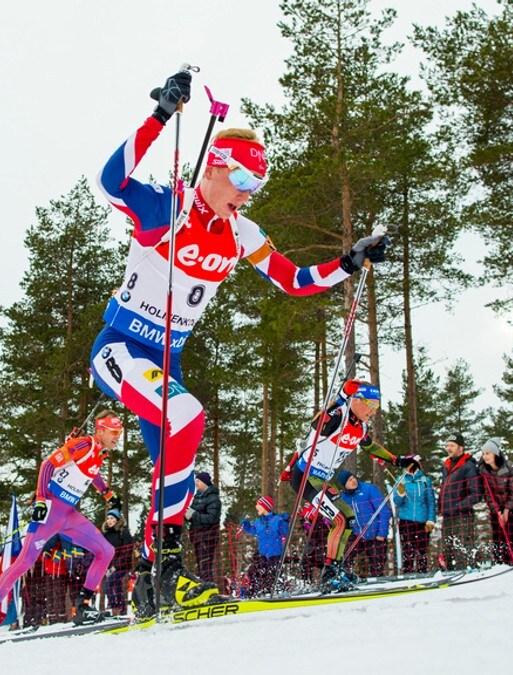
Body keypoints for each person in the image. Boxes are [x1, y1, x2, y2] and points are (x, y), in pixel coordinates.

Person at [90, 69, 390, 615]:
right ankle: (165, 562)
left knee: (173, 467)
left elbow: (294, 280)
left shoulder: (241, 231)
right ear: (216, 170)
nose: (249, 196)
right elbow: (112, 181)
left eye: (257, 189)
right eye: (244, 185)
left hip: (167, 359)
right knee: (189, 418)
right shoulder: (170, 205)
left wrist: (348, 262)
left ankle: (161, 575)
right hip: (122, 348)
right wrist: (160, 116)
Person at [0, 413, 124, 632]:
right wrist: (41, 500)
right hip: (51, 510)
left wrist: (108, 493)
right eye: (113, 432)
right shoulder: (83, 444)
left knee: (106, 550)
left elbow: (91, 474)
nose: (117, 437)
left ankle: (83, 607)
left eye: (119, 433)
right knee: (25, 561)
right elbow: (47, 466)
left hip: (69, 515)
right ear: (100, 429)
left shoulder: (98, 453)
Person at [284, 380, 392, 590]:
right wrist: (342, 395)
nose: (374, 411)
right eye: (371, 404)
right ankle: (329, 575)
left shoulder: (361, 427)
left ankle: (336, 568)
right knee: (340, 520)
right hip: (306, 476)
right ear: (357, 401)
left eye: (377, 406)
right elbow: (317, 424)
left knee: (349, 519)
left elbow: (370, 446)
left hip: (321, 478)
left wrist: (398, 460)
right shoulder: (340, 413)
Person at [438, 434, 481, 570]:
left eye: (452, 446)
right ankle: (449, 572)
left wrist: (459, 506)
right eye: (447, 445)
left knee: (462, 547)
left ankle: (466, 571)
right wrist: (441, 505)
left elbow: (476, 494)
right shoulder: (447, 465)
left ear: (460, 448)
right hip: (447, 514)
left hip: (462, 515)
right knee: (447, 548)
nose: (448, 448)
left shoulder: (468, 466)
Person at [478, 439, 513, 565]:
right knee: (497, 533)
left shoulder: (509, 467)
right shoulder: (484, 471)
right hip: (496, 506)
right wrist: (497, 511)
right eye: (483, 454)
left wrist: (507, 510)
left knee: (511, 531)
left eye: (488, 453)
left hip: (512, 504)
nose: (485, 457)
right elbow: (487, 493)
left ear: (495, 454)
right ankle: (499, 559)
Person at [338, 471, 390, 577]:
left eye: (353, 478)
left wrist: (382, 534)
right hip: (357, 535)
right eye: (349, 480)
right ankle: (345, 578)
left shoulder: (369, 489)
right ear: (344, 485)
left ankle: (377, 583)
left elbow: (384, 511)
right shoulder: (344, 498)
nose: (353, 481)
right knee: (344, 559)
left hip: (375, 535)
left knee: (377, 565)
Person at [392, 455, 436, 574]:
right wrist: (401, 494)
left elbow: (431, 502)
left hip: (422, 521)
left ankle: (423, 573)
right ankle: (408, 575)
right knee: (408, 551)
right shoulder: (400, 480)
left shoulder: (425, 481)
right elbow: (397, 502)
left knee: (422, 552)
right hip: (406, 521)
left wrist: (431, 520)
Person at [239, 496, 289, 597]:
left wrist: (285, 521)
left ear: (265, 506)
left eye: (258, 504)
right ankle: (253, 593)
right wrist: (247, 526)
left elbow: (285, 532)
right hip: (262, 555)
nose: (256, 506)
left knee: (273, 575)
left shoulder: (277, 520)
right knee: (253, 572)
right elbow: (253, 530)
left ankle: (276, 591)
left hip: (275, 555)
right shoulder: (258, 522)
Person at [187, 472, 222, 584]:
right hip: (197, 537)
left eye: (198, 481)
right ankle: (204, 589)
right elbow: (193, 515)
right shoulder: (197, 498)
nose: (195, 483)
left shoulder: (213, 498)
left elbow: (211, 518)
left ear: (204, 482)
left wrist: (193, 514)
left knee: (205, 567)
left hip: (207, 538)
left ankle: (209, 590)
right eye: (195, 481)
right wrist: (187, 515)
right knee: (201, 568)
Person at [100, 510, 136, 615]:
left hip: (123, 565)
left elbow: (128, 550)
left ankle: (115, 606)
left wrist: (115, 566)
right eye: (108, 518)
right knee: (117, 586)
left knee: (107, 586)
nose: (109, 521)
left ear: (117, 520)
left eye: (112, 518)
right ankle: (122, 610)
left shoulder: (123, 532)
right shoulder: (106, 534)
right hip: (110, 566)